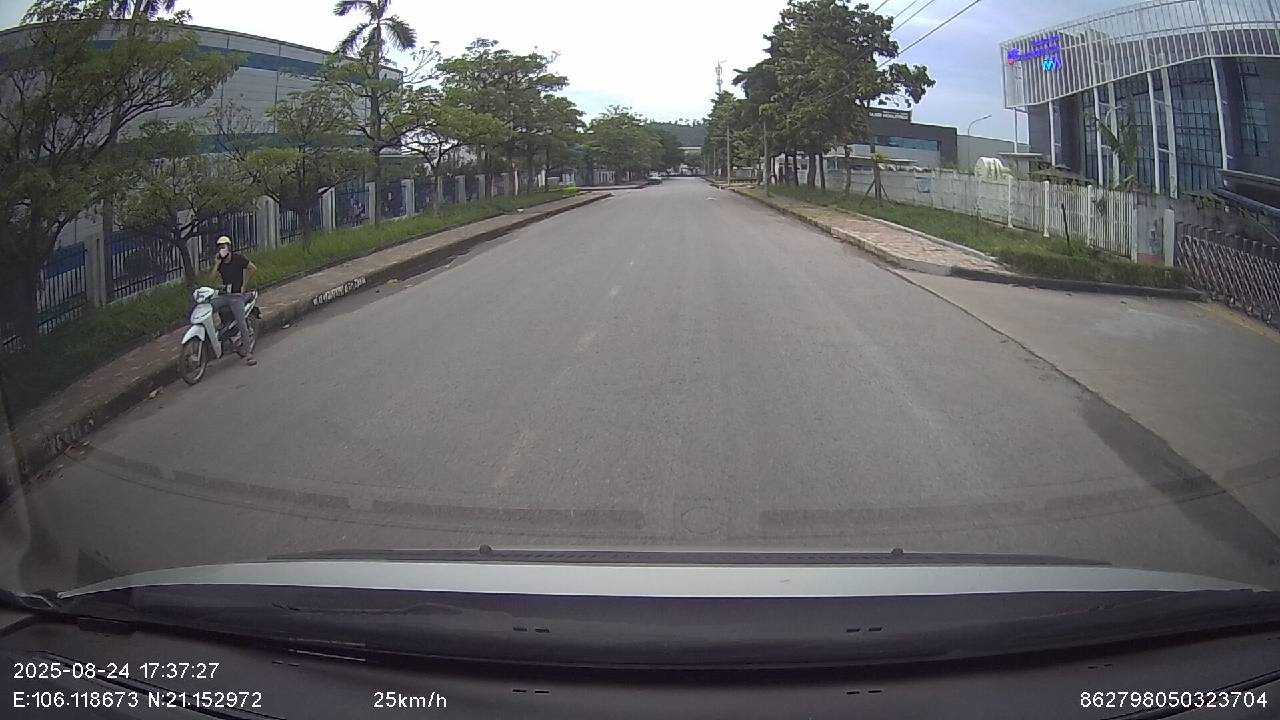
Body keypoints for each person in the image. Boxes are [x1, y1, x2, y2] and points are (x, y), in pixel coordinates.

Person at [213, 236, 258, 366]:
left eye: (224, 246)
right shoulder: (220, 263)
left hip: (237, 296)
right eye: (220, 247)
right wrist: (216, 263)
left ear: (229, 247)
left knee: (241, 323)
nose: (222, 249)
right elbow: (211, 278)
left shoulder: (238, 259)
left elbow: (253, 268)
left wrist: (244, 284)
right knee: (209, 306)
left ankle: (249, 354)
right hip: (224, 296)